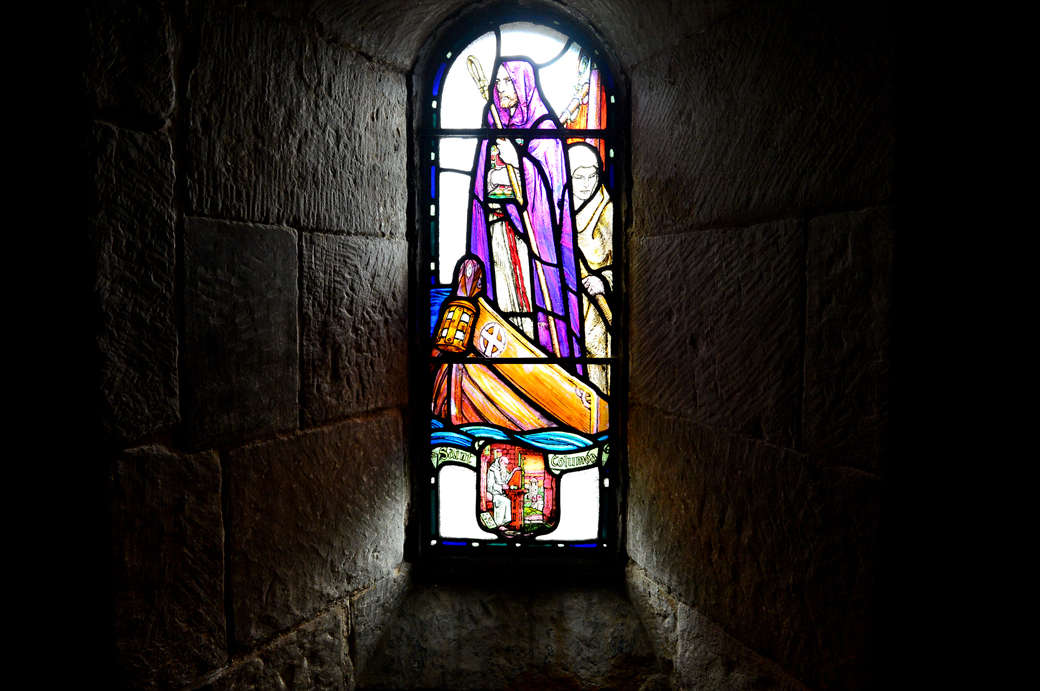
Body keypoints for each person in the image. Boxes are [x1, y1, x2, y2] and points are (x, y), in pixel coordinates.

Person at [469, 60, 582, 363]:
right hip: (497, 230)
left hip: (531, 239)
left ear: (524, 84)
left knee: (534, 304)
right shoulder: (494, 125)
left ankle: (545, 355)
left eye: (508, 81)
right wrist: (494, 177)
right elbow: (481, 183)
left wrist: (517, 161)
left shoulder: (543, 128)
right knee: (505, 300)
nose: (501, 89)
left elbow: (551, 190)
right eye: (498, 82)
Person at [568, 143, 613, 394]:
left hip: (597, 309)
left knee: (595, 364)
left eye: (592, 175)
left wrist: (603, 281)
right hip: (568, 303)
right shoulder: (557, 208)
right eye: (579, 177)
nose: (587, 184)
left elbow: (624, 267)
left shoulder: (608, 211)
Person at [487, 449, 513, 527]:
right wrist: (501, 487)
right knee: (504, 501)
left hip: (502, 494)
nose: (506, 466)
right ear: (501, 461)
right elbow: (490, 485)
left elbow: (507, 479)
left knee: (508, 501)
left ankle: (505, 523)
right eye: (505, 464)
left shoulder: (503, 470)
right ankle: (499, 524)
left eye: (507, 464)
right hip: (494, 494)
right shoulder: (492, 469)